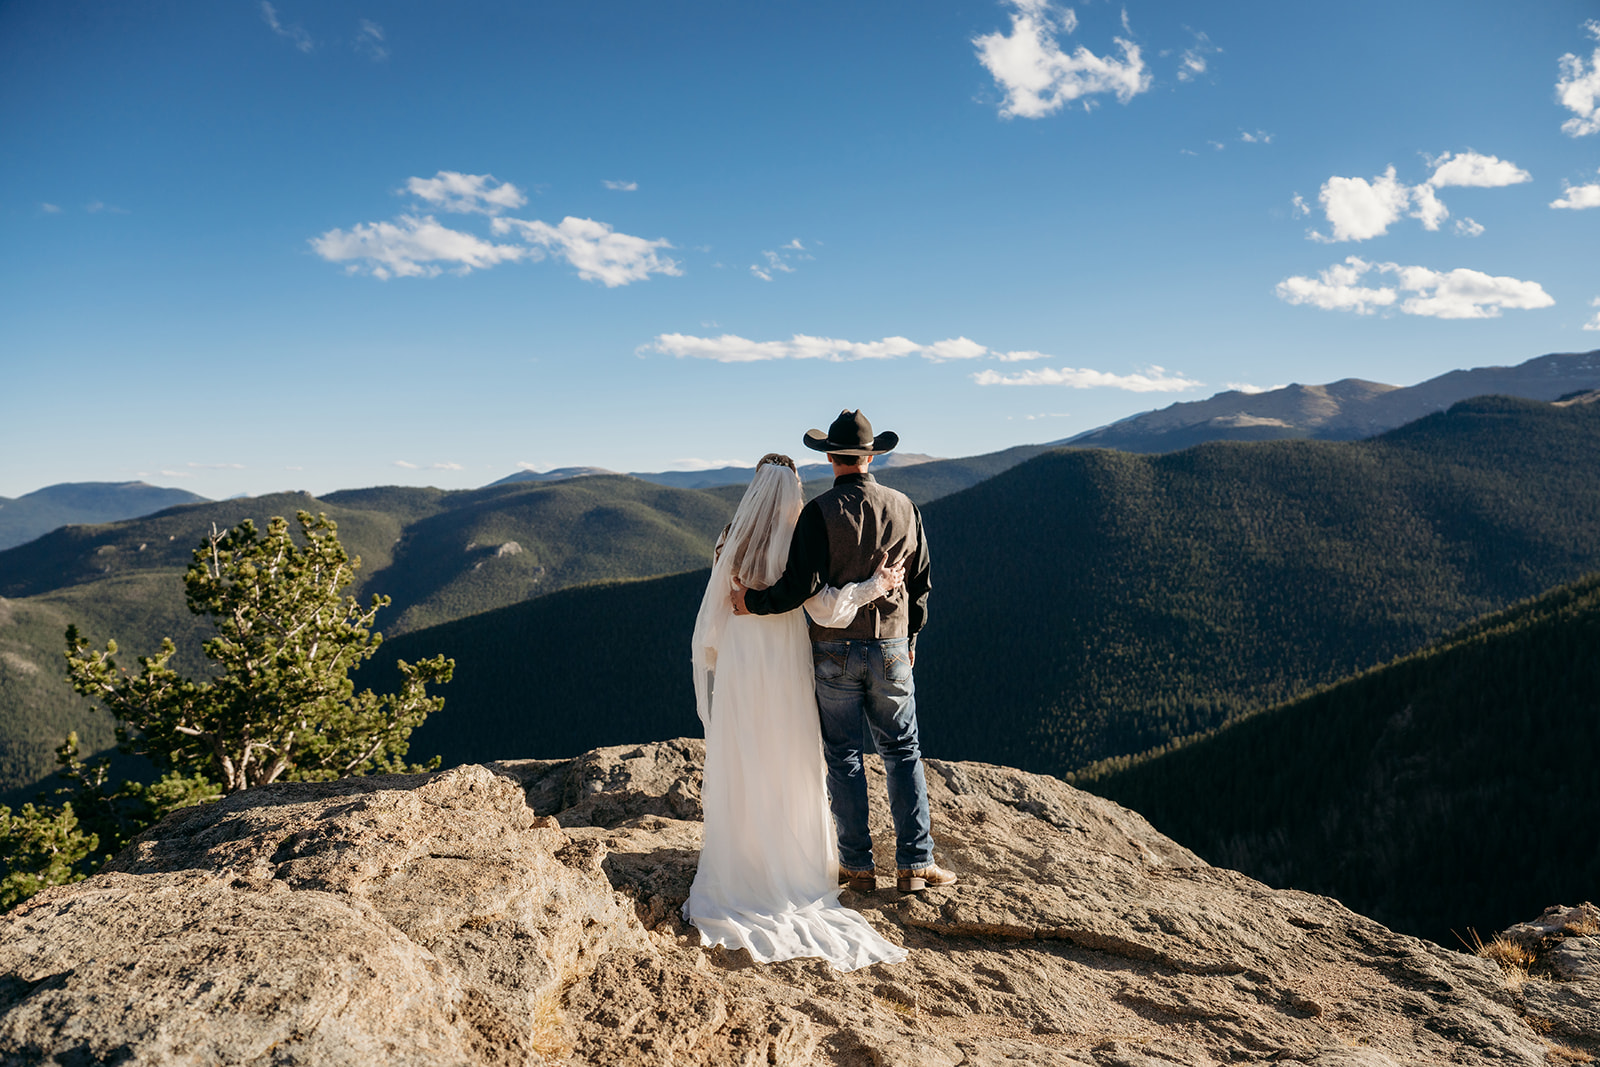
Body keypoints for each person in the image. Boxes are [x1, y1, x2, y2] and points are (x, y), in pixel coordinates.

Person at [684, 452, 908, 970]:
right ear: (793, 493)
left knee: (745, 750)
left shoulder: (728, 538)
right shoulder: (801, 537)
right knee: (788, 754)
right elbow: (825, 606)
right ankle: (789, 862)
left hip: (743, 658)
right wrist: (878, 586)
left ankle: (740, 860)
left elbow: (715, 611)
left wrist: (721, 656)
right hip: (785, 659)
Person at [732, 410, 956, 895]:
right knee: (902, 751)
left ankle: (857, 867)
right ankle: (916, 864)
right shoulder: (906, 507)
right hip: (892, 644)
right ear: (873, 456)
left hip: (833, 649)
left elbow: (800, 588)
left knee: (844, 756)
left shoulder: (818, 513)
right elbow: (921, 585)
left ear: (831, 457)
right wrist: (911, 638)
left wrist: (750, 602)